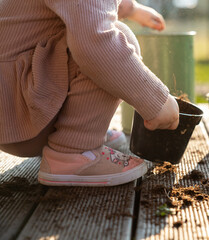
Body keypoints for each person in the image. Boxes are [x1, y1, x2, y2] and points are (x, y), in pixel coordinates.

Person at [0, 0, 179, 186]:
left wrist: (131, 8)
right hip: (22, 115)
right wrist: (156, 100)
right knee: (117, 38)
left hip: (12, 113)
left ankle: (79, 131)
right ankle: (73, 151)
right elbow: (95, 43)